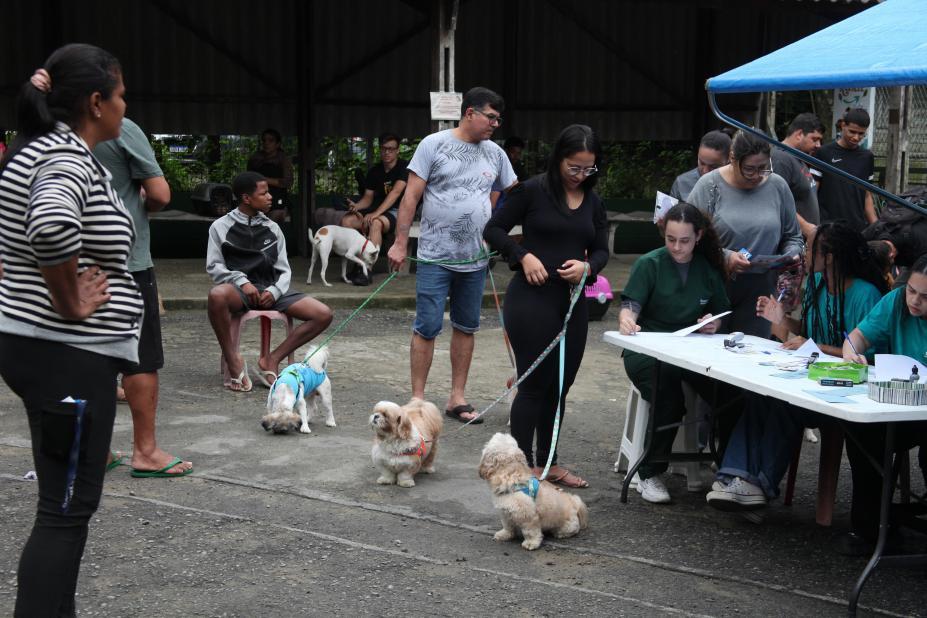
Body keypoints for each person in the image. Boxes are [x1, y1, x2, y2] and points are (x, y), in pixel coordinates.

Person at [0, 43, 142, 617]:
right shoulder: (65, 156)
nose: (126, 106)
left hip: (49, 352)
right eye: (121, 95)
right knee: (64, 511)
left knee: (63, 507)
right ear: (95, 102)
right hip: (67, 357)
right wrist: (70, 302)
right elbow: (52, 227)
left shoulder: (37, 148)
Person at [706, 222, 887, 518]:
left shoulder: (865, 294)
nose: (804, 254)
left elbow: (866, 356)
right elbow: (807, 330)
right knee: (759, 394)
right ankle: (735, 476)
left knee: (784, 404)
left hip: (843, 390)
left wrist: (813, 346)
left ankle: (759, 485)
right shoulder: (816, 283)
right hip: (809, 376)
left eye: (810, 248)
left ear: (829, 257)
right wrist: (781, 319)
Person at [484, 124, 609, 488]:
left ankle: (548, 462)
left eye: (588, 169)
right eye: (574, 167)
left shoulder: (593, 202)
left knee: (560, 386)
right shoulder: (532, 190)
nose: (580, 175)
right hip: (532, 298)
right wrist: (523, 256)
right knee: (533, 385)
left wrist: (589, 267)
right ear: (558, 159)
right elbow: (494, 229)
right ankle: (521, 470)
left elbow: (601, 249)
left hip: (571, 302)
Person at [387, 87, 517, 423]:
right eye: (491, 117)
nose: (495, 124)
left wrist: (498, 232)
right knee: (427, 326)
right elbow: (410, 197)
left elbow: (510, 194)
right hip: (434, 255)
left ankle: (457, 397)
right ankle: (417, 400)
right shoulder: (434, 145)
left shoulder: (496, 154)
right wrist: (400, 243)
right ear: (470, 113)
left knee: (466, 326)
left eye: (499, 119)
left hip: (474, 258)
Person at [93, 119, 193, 478]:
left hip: (73, 264)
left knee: (90, 357)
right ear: (98, 98)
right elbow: (160, 195)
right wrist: (137, 203)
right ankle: (145, 451)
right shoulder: (118, 127)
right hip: (126, 260)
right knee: (139, 358)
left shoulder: (50, 129)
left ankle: (94, 450)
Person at [618, 203, 730, 503]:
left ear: (698, 236)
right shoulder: (650, 263)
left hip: (692, 349)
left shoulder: (706, 269)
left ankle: (732, 471)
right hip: (648, 349)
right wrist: (627, 318)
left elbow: (720, 310)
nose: (677, 247)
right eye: (670, 239)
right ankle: (649, 472)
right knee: (667, 394)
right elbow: (630, 305)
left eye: (684, 241)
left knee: (732, 394)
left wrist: (713, 323)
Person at [207, 171, 332, 391]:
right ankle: (232, 359)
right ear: (247, 198)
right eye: (264, 193)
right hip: (239, 290)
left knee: (323, 314)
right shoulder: (220, 227)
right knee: (216, 296)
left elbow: (284, 269)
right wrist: (242, 281)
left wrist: (275, 291)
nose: (270, 197)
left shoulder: (273, 228)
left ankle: (272, 359)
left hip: (271, 290)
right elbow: (214, 267)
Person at [840, 255, 927, 555]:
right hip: (901, 404)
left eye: (924, 296)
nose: (914, 300)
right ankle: (871, 528)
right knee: (862, 431)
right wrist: (852, 354)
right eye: (911, 290)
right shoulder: (895, 301)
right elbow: (857, 337)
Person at [687, 129, 804, 337]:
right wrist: (726, 256)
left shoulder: (777, 185)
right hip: (716, 282)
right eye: (749, 169)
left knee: (754, 348)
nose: (757, 176)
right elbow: (689, 236)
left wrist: (791, 255)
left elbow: (793, 236)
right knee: (711, 344)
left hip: (762, 288)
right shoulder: (710, 185)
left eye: (763, 168)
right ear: (733, 159)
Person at [340, 132, 408, 284]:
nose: (387, 152)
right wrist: (356, 206)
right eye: (384, 148)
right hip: (378, 210)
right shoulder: (375, 171)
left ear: (398, 150)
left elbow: (395, 193)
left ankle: (367, 270)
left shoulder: (404, 167)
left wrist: (375, 213)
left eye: (391, 149)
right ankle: (357, 264)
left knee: (375, 223)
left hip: (399, 211)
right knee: (347, 221)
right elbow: (367, 199)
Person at [817, 108, 876, 233]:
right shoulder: (824, 152)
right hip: (828, 227)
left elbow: (867, 195)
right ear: (843, 125)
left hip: (857, 228)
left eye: (861, 134)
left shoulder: (867, 157)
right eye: (852, 132)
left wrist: (876, 227)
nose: (856, 137)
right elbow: (812, 191)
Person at [772, 113, 824, 239]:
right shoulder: (781, 159)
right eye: (814, 139)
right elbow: (777, 203)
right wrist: (807, 228)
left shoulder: (798, 158)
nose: (818, 145)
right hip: (793, 240)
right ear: (799, 134)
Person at [669, 130, 731, 201]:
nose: (705, 171)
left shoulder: (738, 185)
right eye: (702, 163)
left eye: (713, 167)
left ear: (729, 161)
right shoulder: (681, 183)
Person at [247, 128, 293, 224]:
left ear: (278, 144)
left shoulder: (283, 159)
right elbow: (248, 178)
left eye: (271, 140)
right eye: (264, 140)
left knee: (274, 217)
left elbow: (287, 182)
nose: (266, 143)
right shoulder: (255, 158)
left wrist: (264, 180)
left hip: (277, 200)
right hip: (257, 200)